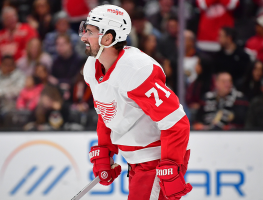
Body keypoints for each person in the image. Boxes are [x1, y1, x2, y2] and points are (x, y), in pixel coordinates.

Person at [80, 5, 192, 200]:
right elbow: (106, 111)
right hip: (137, 159)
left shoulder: (136, 70)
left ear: (108, 38)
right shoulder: (92, 66)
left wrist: (171, 164)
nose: (83, 37)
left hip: (157, 159)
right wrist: (106, 150)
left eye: (89, 32)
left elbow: (176, 122)